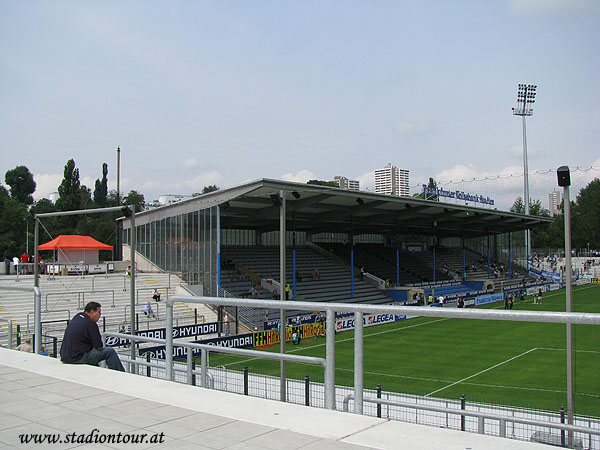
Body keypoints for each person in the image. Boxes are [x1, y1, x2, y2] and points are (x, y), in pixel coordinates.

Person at [60, 302, 125, 371]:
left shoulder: (78, 316)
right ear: (92, 312)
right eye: (99, 312)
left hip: (65, 356)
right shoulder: (91, 324)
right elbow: (99, 346)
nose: (100, 315)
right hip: (77, 358)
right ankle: (121, 373)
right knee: (109, 352)